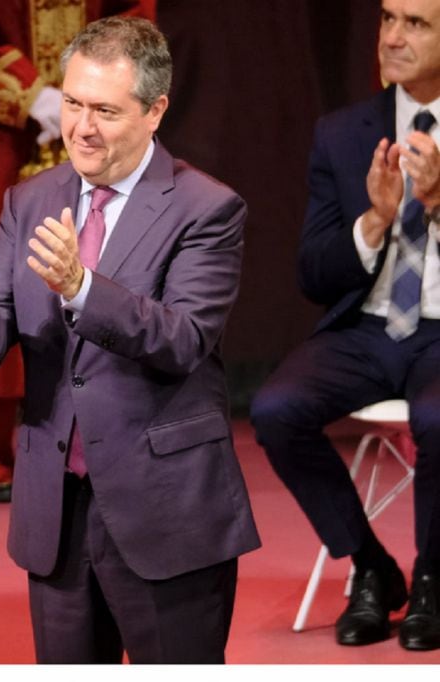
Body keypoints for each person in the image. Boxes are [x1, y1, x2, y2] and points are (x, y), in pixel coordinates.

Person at [0, 17, 260, 663]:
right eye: (72, 103)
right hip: (58, 517)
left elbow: (184, 339)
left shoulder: (207, 208)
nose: (81, 127)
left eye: (104, 109)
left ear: (155, 111)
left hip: (165, 513)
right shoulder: (29, 200)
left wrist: (80, 286)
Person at [0, 0, 155, 502]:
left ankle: (103, 437)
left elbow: (134, 15)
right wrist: (33, 96)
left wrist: (101, 91)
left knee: (109, 266)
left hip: (100, 112)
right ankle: (2, 449)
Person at [250, 0, 440, 652]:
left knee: (439, 419)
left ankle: (432, 577)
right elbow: (312, 271)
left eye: (416, 23)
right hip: (367, 326)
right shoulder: (343, 131)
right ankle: (371, 565)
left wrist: (438, 204)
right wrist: (375, 224)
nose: (393, 36)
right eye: (389, 18)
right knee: (276, 409)